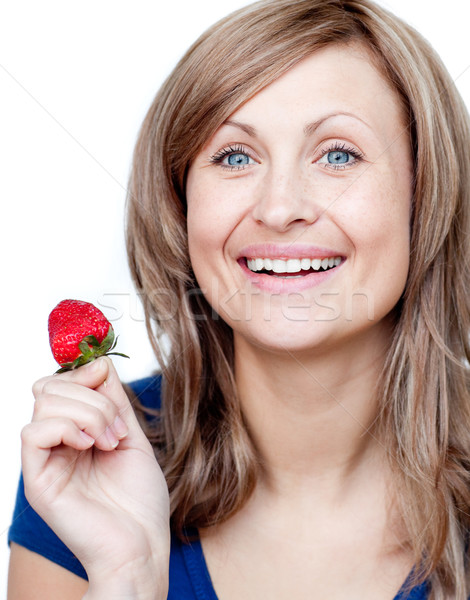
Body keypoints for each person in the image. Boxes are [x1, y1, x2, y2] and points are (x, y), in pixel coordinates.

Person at [7, 0, 470, 598]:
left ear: (423, 194)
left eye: (338, 154)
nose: (279, 209)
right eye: (235, 156)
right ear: (182, 203)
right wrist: (126, 576)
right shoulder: (89, 461)